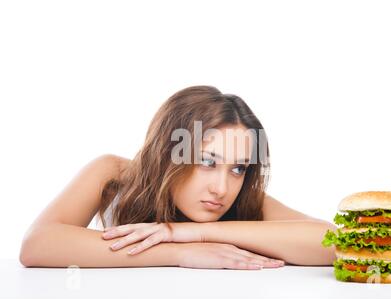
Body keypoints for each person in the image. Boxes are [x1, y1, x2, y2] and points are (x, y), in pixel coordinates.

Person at [19, 85, 336, 269]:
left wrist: (190, 233)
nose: (222, 188)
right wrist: (178, 251)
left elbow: (332, 242)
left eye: (238, 168)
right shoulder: (113, 174)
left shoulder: (243, 200)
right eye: (207, 162)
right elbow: (37, 245)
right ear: (168, 152)